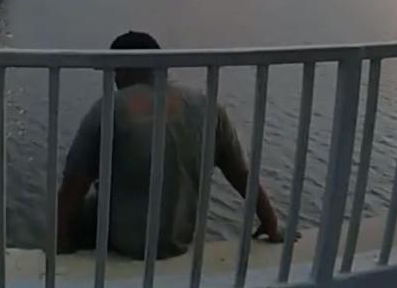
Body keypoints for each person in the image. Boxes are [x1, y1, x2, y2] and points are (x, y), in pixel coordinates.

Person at [57, 30, 284, 259]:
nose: (114, 79)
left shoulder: (111, 107)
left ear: (121, 68)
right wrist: (270, 222)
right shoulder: (207, 107)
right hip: (177, 242)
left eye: (115, 71)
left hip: (127, 242)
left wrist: (61, 242)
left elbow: (74, 183)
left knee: (80, 210)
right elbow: (241, 174)